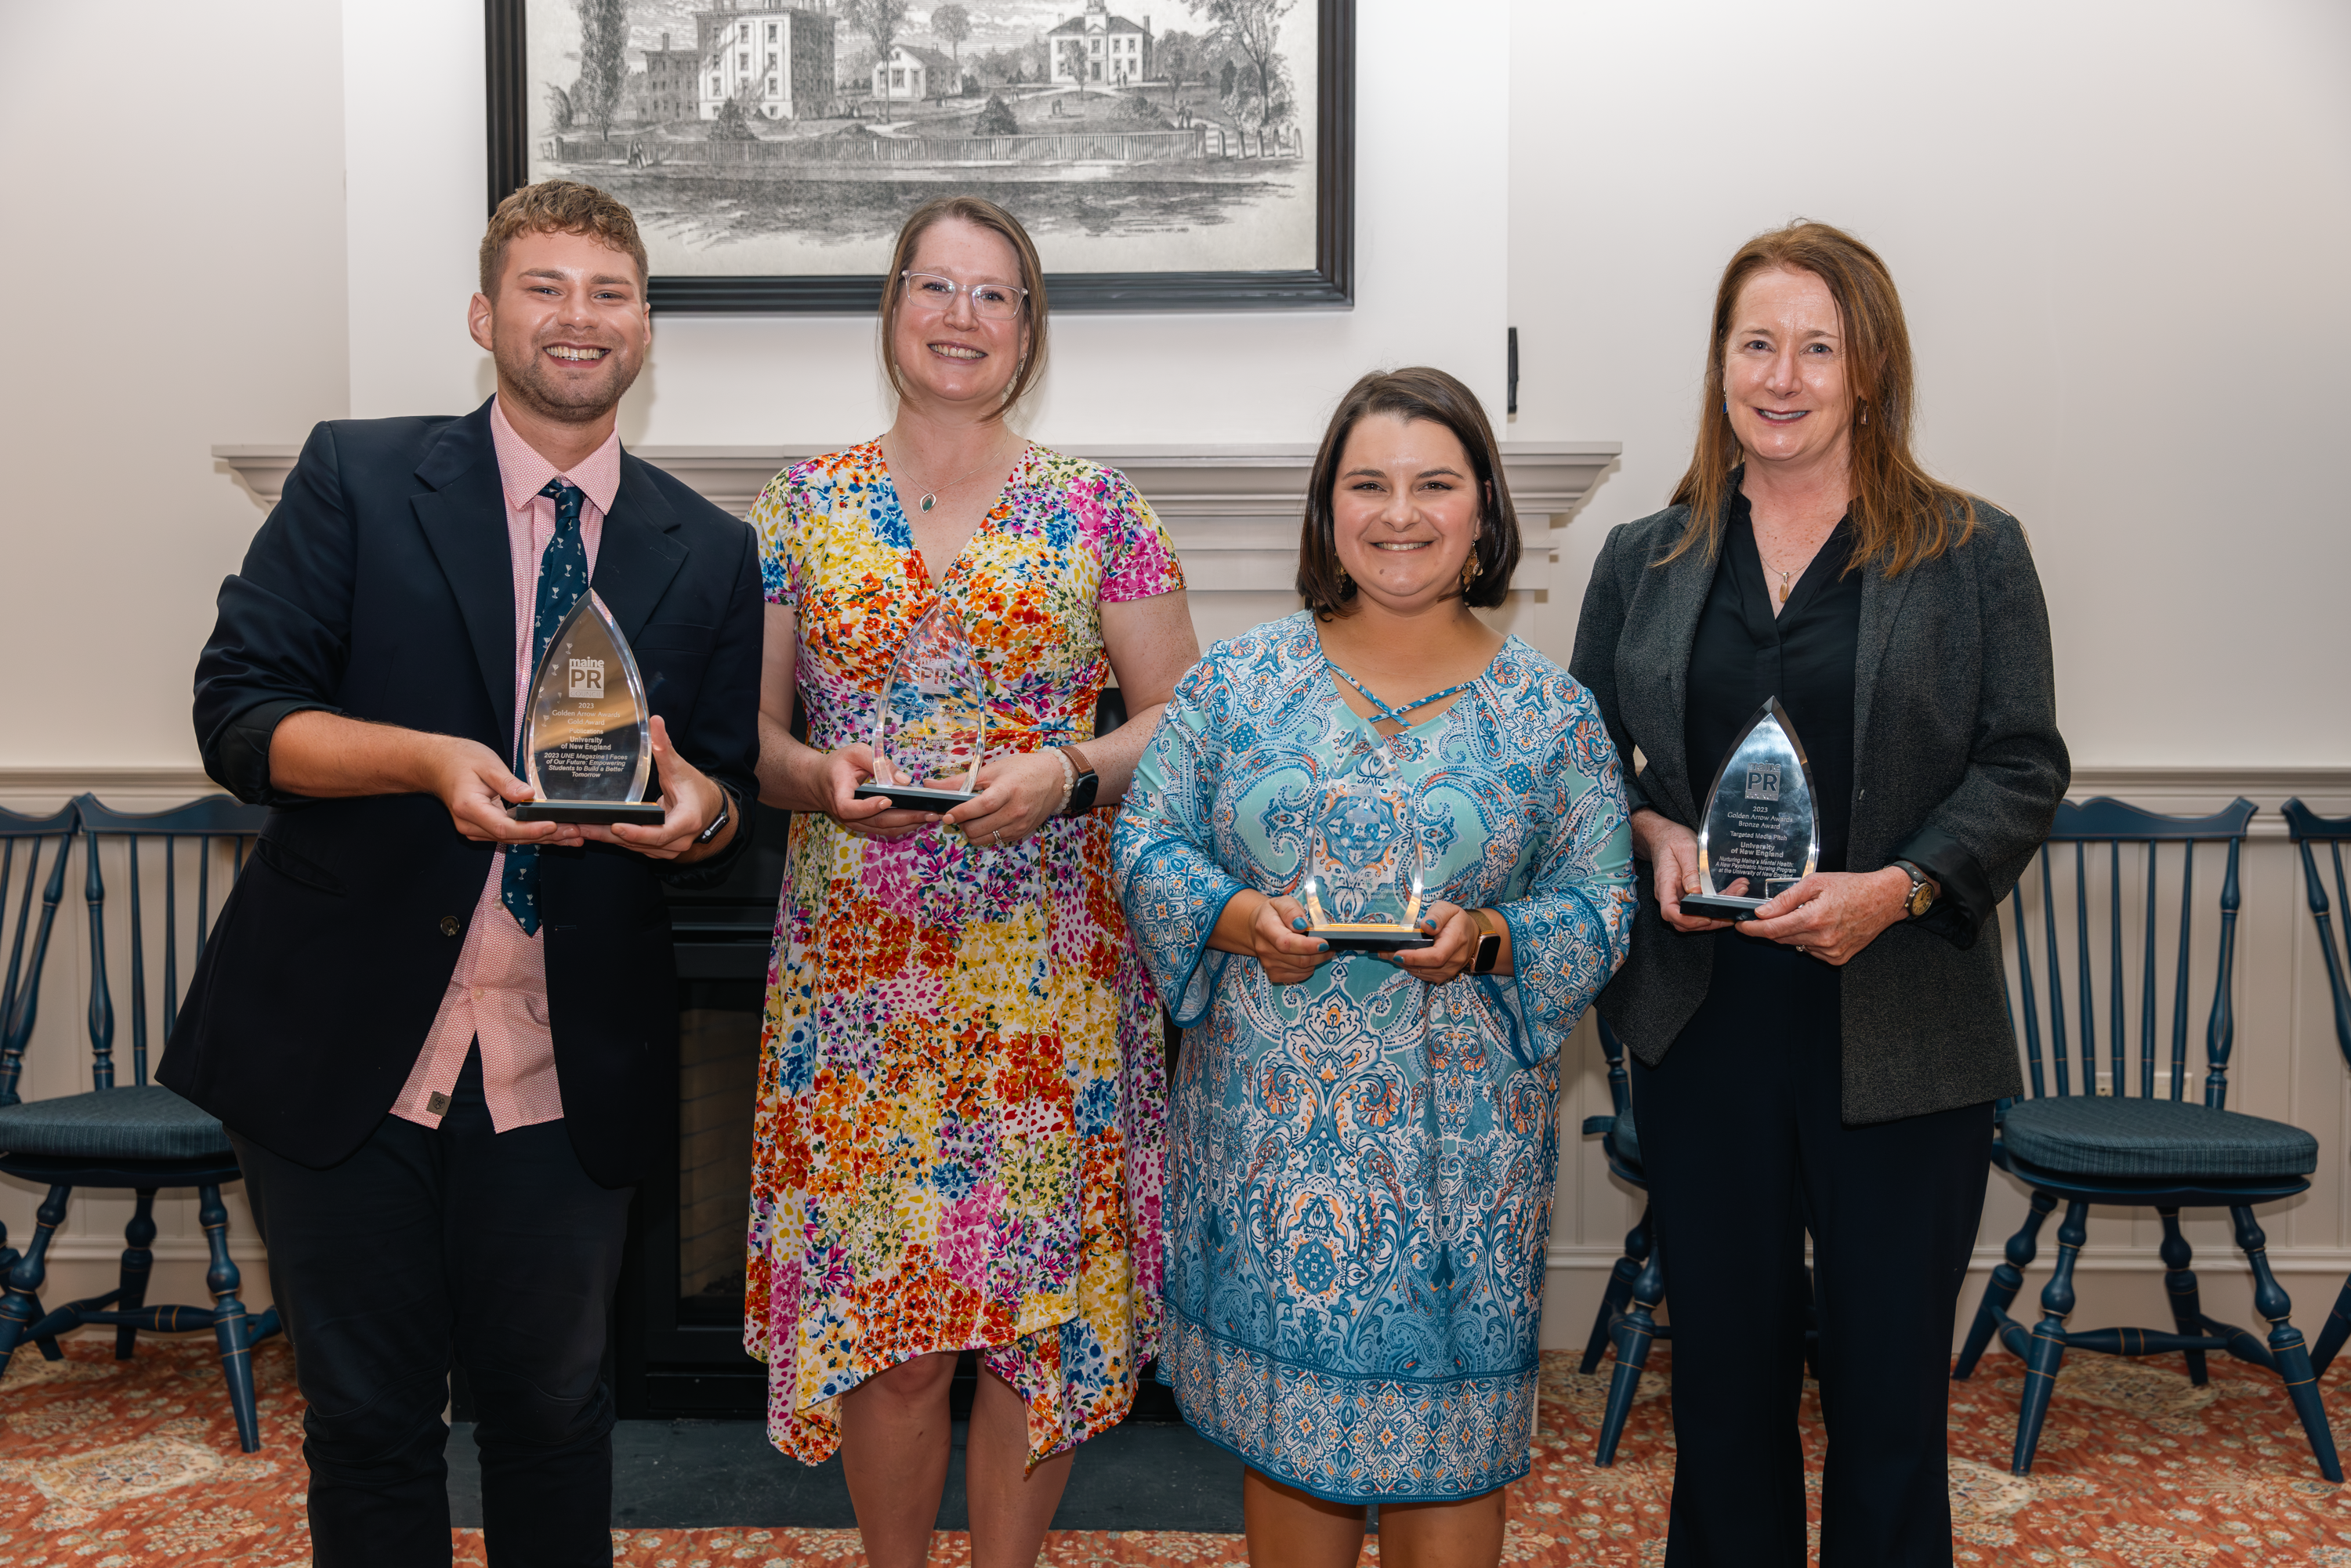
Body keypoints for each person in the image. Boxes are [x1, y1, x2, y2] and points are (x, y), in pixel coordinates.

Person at [161, 180, 763, 1566]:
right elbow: (239, 718)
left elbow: (728, 797)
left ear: (647, 330)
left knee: (556, 1412)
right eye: (546, 287)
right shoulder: (360, 478)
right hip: (341, 1043)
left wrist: (700, 813)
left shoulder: (712, 550)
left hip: (567, 1061)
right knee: (368, 1424)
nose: (579, 318)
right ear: (486, 314)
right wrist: (427, 763)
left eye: (610, 293)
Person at [1568, 220, 2069, 1566]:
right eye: (1755, 343)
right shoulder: (1644, 557)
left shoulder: (1973, 552)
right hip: (1703, 1030)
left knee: (1889, 1398)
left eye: (1816, 346)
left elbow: (2024, 767)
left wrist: (1899, 889)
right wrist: (1650, 828)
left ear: (1869, 370)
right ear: (1719, 362)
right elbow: (1578, 772)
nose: (1780, 376)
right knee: (1723, 1395)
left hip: (1903, 1030)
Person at [1114, 367, 1636, 1568]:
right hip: (1272, 1150)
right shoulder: (1233, 688)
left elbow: (1605, 904)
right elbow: (1143, 846)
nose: (1400, 514)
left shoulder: (1552, 716)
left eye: (1434, 484)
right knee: (1288, 1446)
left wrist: (1493, 939)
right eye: (1369, 485)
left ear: (1485, 511)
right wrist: (1238, 917)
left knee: (1451, 1450)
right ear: (1328, 508)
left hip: (1462, 1169)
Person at [743, 194, 1198, 1568]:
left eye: (992, 294)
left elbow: (1180, 721)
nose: (960, 316)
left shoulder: (1098, 509)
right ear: (890, 308)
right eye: (934, 287)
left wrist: (1063, 772)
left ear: (1028, 329)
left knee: (1027, 1336)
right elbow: (751, 743)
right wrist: (821, 779)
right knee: (890, 1335)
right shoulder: (798, 506)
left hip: (1045, 984)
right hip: (859, 985)